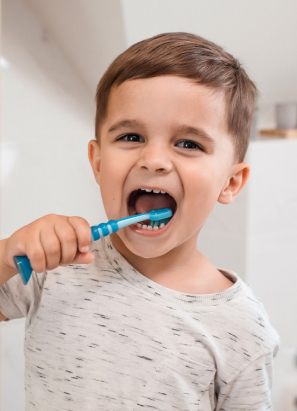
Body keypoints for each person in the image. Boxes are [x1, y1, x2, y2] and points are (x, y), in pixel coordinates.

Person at [0, 32, 279, 410]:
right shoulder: (56, 269)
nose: (155, 160)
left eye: (188, 143)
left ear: (230, 182)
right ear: (98, 163)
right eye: (132, 136)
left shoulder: (243, 329)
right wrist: (6, 256)